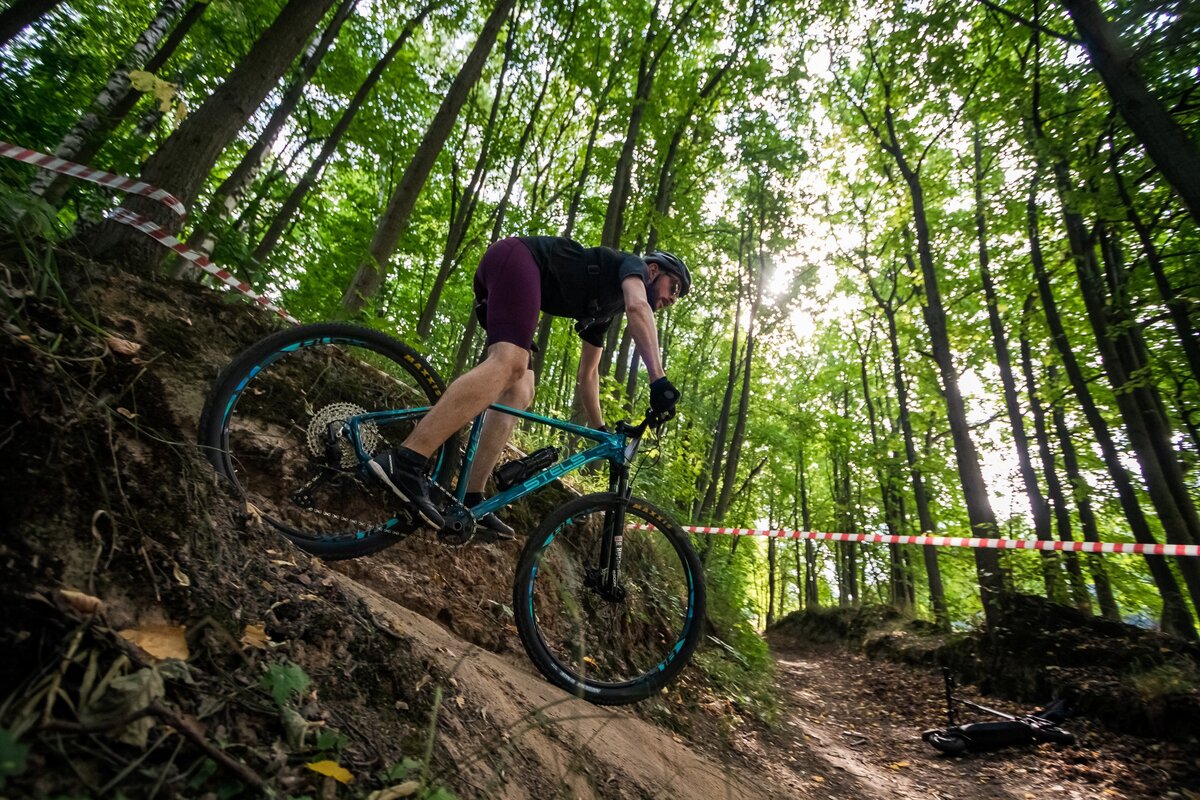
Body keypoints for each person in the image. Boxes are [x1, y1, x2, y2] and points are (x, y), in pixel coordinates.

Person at [369, 236, 690, 536]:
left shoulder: (605, 310)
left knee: (521, 390)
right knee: (510, 363)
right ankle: (408, 458)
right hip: (516, 258)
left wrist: (600, 430)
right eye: (673, 286)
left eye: (677, 296)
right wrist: (658, 380)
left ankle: (470, 498)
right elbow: (638, 308)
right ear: (652, 270)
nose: (672, 298)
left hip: (514, 275)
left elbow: (588, 375)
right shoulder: (632, 266)